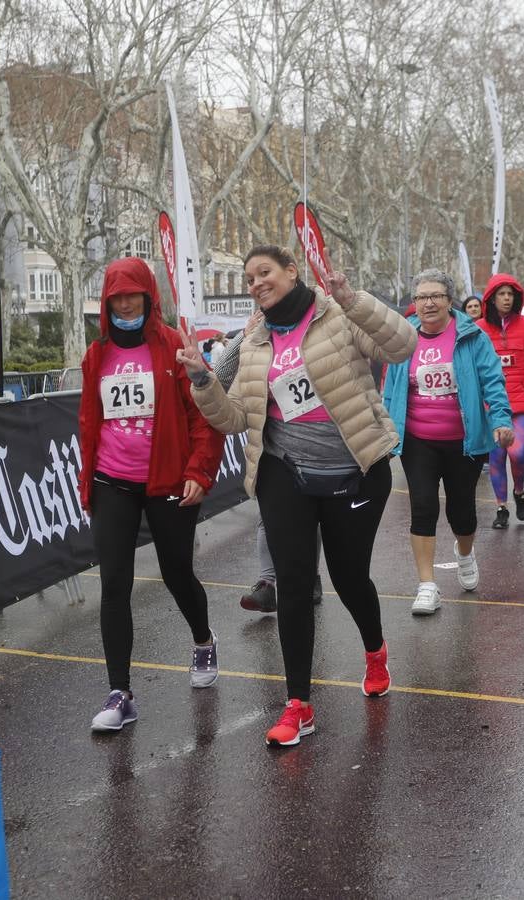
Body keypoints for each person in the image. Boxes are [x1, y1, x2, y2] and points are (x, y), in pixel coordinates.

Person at [181, 245, 415, 747]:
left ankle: (375, 651)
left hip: (354, 469)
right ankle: (298, 705)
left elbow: (401, 346)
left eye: (264, 272)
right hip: (284, 473)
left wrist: (354, 299)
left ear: (292, 271)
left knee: (349, 578)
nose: (255, 283)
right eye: (248, 278)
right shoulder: (253, 339)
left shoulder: (336, 315)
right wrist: (203, 379)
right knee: (292, 582)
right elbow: (235, 418)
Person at [77, 256, 225, 733]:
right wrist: (87, 484)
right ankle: (119, 692)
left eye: (133, 295)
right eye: (116, 297)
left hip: (166, 478)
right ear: (106, 302)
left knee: (176, 571)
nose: (125, 304)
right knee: (114, 584)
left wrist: (200, 470)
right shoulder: (96, 355)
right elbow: (88, 423)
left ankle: (203, 639)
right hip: (111, 480)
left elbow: (203, 414)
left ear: (148, 297)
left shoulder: (171, 347)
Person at [382, 269, 513, 615]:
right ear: (415, 303)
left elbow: (493, 383)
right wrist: (384, 430)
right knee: (423, 506)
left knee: (461, 511)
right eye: (421, 297)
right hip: (418, 440)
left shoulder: (472, 336)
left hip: (464, 441)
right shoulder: (404, 338)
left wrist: (500, 420)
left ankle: (465, 553)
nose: (428, 303)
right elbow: (390, 390)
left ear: (448, 300)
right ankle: (427, 586)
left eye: (436, 296)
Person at [212, 323, 325, 614]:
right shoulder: (256, 335)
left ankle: (310, 576)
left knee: (310, 519)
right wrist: (241, 339)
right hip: (272, 448)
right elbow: (221, 380)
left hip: (316, 445)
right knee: (268, 517)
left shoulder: (317, 326)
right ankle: (267, 584)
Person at [476, 273, 524, 529]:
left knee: (518, 453)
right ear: (492, 298)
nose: (506, 299)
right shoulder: (480, 328)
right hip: (491, 405)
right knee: (496, 457)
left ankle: (519, 492)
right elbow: (475, 369)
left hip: (520, 402)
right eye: (502, 294)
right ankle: (501, 507)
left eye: (510, 294)